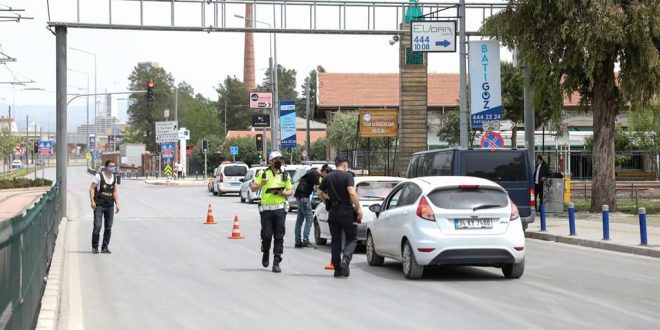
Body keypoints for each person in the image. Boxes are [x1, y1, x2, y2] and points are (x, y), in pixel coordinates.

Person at [317, 156, 362, 278]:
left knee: (335, 241)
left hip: (333, 212)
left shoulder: (328, 177)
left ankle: (337, 269)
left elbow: (319, 192)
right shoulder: (348, 176)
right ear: (345, 164)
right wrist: (358, 208)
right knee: (351, 238)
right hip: (346, 211)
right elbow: (352, 193)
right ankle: (345, 261)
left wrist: (327, 199)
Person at [251, 151, 293, 273]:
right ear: (270, 161)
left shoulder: (285, 174)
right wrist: (261, 184)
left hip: (280, 209)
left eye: (280, 159)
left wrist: (283, 193)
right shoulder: (263, 173)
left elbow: (290, 191)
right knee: (267, 235)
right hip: (266, 210)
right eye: (276, 159)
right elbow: (253, 187)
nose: (278, 161)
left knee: (279, 236)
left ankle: (276, 260)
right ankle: (265, 252)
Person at [294, 164, 332, 248]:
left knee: (299, 220)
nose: (326, 177)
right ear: (324, 172)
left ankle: (298, 241)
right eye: (326, 175)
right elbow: (319, 190)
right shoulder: (316, 175)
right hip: (304, 197)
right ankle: (305, 241)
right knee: (310, 218)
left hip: (299, 196)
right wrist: (326, 198)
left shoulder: (312, 172)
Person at [89, 160, 120, 254]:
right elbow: (92, 188)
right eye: (111, 166)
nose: (113, 168)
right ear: (106, 167)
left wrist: (117, 204)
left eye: (114, 166)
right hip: (99, 205)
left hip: (109, 205)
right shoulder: (99, 176)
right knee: (97, 226)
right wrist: (92, 201)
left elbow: (114, 191)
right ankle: (95, 247)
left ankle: (105, 247)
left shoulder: (114, 177)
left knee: (108, 227)